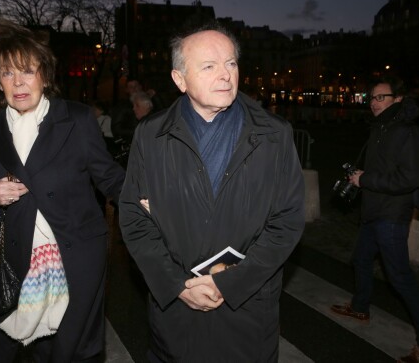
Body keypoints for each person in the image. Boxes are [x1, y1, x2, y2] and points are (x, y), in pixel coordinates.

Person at [118, 23, 305, 362]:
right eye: (209, 66)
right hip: (177, 307)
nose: (225, 75)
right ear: (179, 79)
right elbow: (133, 218)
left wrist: (230, 283)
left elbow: (287, 221)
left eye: (231, 63)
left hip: (246, 307)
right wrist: (175, 285)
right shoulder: (150, 135)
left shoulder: (274, 135)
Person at [0, 19, 126, 363]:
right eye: (8, 73)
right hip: (19, 257)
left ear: (45, 74)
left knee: (72, 349)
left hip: (77, 254)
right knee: (26, 346)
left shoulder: (77, 119)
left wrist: (149, 198)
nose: (19, 82)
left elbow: (109, 177)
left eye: (27, 70)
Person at [330, 76, 419, 363]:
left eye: (380, 97)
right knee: (360, 259)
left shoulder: (406, 132)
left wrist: (366, 179)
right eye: (371, 98)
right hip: (374, 212)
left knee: (401, 279)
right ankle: (360, 307)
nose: (373, 102)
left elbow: (412, 177)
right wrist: (359, 179)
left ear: (398, 99)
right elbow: (382, 169)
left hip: (392, 216)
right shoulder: (381, 128)